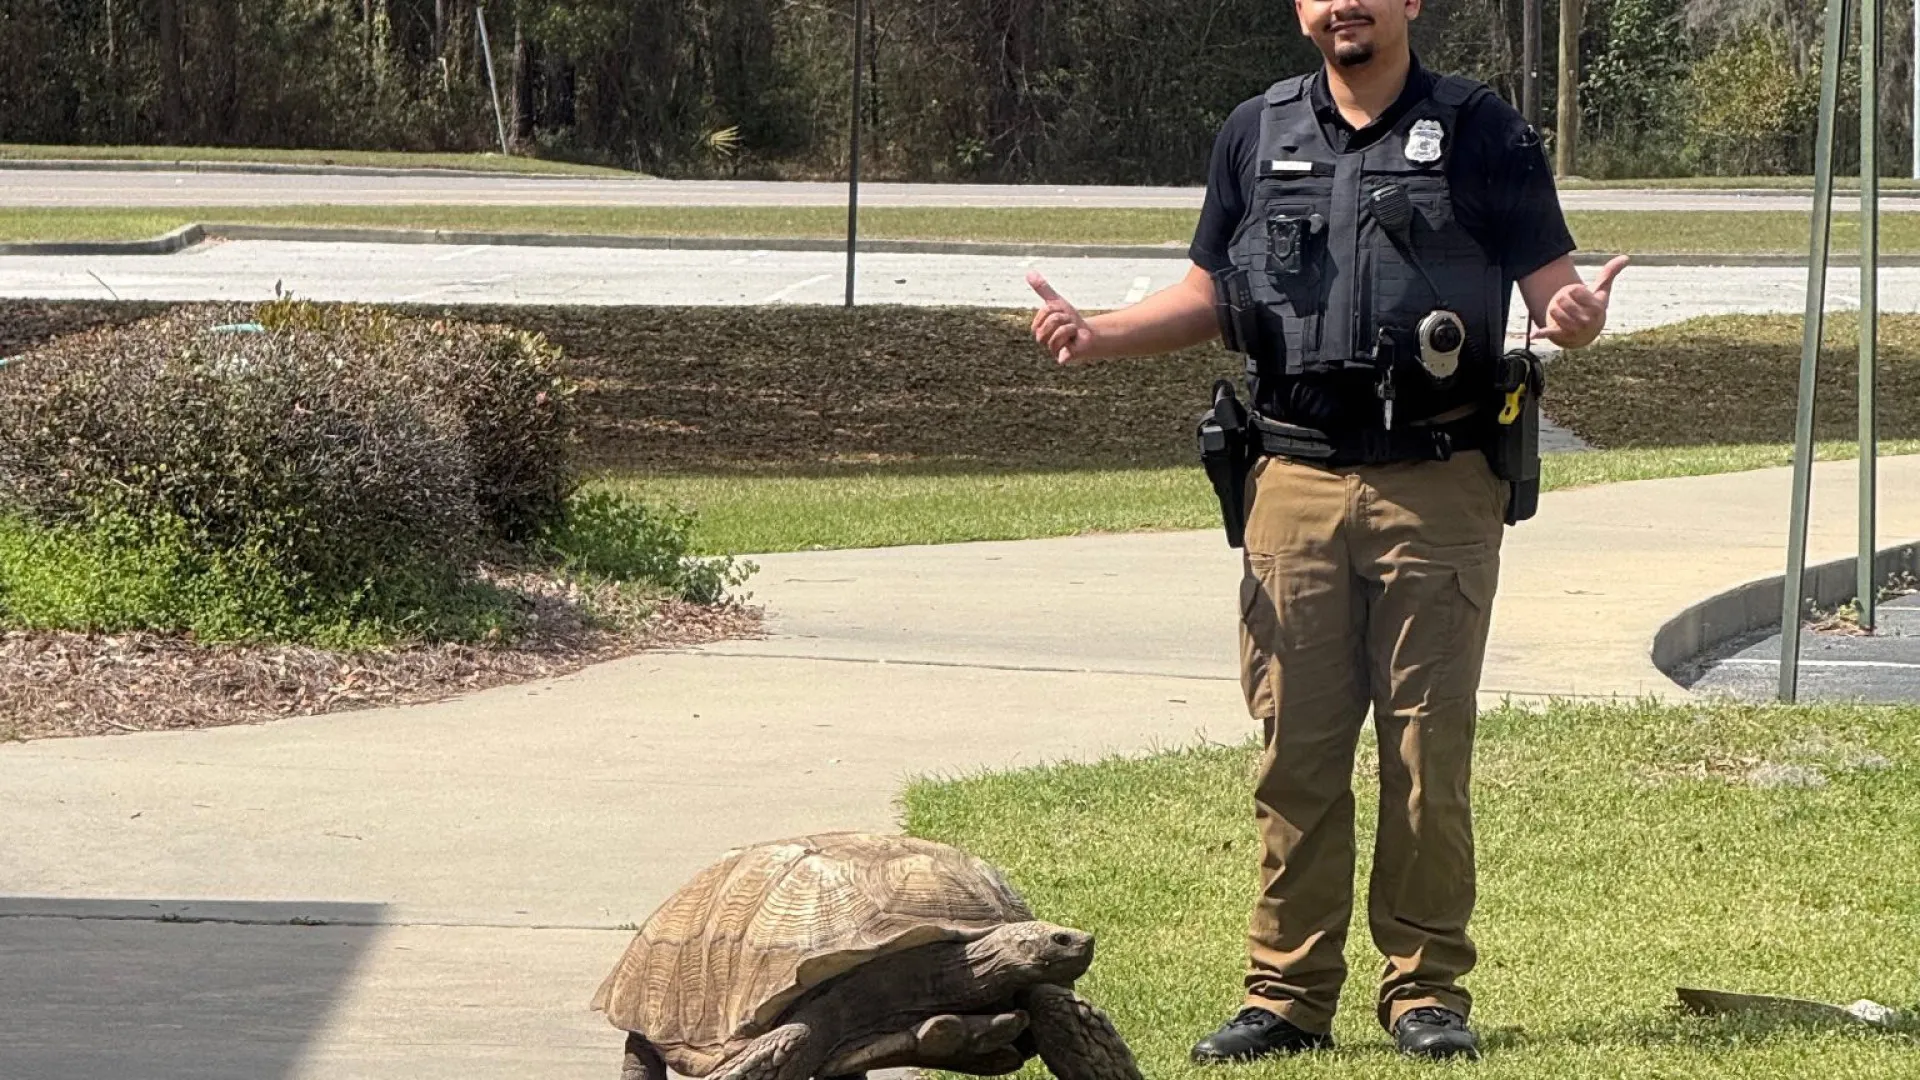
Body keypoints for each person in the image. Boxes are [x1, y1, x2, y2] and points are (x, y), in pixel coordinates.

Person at [1025, 0, 1627, 1064]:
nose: (1344, 3)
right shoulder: (1256, 131)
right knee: (1294, 754)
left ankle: (1425, 990)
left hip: (1437, 483)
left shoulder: (1484, 129)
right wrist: (1097, 333)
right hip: (1291, 481)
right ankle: (1287, 995)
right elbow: (1212, 295)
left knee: (1424, 753)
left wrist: (1575, 315)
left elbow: (1553, 291)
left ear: (1410, 5)